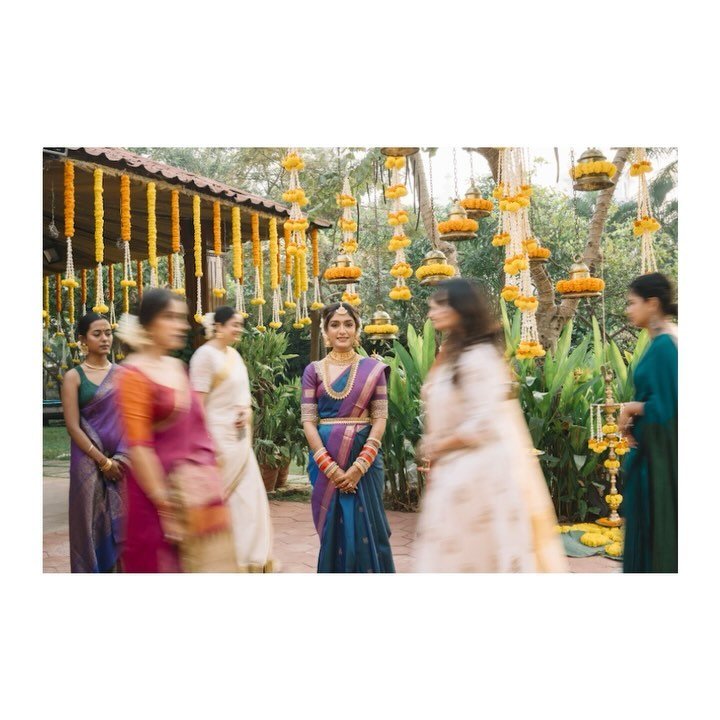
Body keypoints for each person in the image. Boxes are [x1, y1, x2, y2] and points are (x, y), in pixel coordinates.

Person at [414, 278, 567, 572]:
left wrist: (437, 445)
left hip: (477, 476)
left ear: (462, 309)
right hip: (454, 471)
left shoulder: (480, 357)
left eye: (441, 303)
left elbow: (483, 424)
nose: (433, 310)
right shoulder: (453, 354)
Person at [114, 288, 236, 572]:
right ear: (147, 324)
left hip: (195, 493)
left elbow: (195, 429)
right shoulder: (132, 374)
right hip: (156, 499)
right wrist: (165, 506)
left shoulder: (177, 366)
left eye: (181, 318)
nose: (181, 325)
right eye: (170, 317)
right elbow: (139, 447)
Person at [301, 302, 395, 573]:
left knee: (369, 534)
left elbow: (380, 418)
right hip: (325, 462)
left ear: (357, 330)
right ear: (325, 331)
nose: (342, 331)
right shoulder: (314, 371)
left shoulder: (373, 369)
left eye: (348, 324)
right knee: (334, 534)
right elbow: (309, 422)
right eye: (335, 325)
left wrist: (359, 467)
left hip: (364, 463)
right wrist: (330, 468)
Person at [189, 307, 274, 572]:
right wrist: (205, 444)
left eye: (239, 325)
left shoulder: (235, 356)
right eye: (233, 325)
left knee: (249, 499)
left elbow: (243, 398)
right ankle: (219, 562)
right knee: (224, 502)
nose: (238, 329)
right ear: (218, 326)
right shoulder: (204, 356)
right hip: (215, 440)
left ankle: (249, 559)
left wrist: (244, 413)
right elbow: (197, 405)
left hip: (239, 438)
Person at [618, 272, 678, 573]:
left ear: (652, 303)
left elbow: (669, 408)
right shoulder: (661, 343)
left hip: (659, 465)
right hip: (648, 457)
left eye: (632, 303)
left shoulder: (667, 347)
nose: (628, 310)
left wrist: (631, 408)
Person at [61, 312, 127, 572]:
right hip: (86, 463)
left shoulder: (122, 375)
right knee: (87, 524)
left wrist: (118, 460)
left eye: (108, 333)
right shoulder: (74, 377)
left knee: (120, 526)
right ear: (82, 340)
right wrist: (102, 461)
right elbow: (72, 426)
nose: (104, 339)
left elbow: (130, 422)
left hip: (120, 461)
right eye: (96, 334)